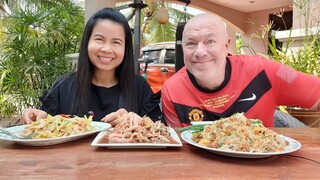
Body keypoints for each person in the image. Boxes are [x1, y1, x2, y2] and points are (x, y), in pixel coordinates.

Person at [161, 13, 320, 128]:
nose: (200, 52)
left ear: (226, 46)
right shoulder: (172, 90)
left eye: (210, 41)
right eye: (191, 43)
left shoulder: (264, 71)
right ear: (183, 49)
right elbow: (180, 149)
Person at [22, 7, 162, 126]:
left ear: (125, 49)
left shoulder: (139, 87)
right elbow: (46, 123)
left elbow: (159, 129)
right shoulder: (64, 86)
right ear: (87, 42)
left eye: (116, 42)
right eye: (99, 39)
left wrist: (133, 121)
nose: (107, 49)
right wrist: (38, 117)